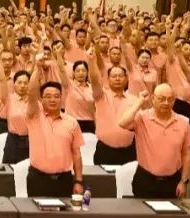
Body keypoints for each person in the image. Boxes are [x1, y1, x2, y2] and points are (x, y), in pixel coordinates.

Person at [118, 85, 190, 199]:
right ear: (153, 99)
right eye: (161, 99)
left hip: (172, 182)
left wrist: (183, 181)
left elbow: (187, 154)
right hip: (146, 180)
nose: (166, 103)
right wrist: (139, 102)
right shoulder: (142, 118)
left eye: (170, 99)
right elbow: (123, 123)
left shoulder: (184, 122)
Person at [24, 56, 85, 197]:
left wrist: (78, 180)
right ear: (41, 99)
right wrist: (37, 68)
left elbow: (76, 154)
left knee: (64, 212)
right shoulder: (35, 116)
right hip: (38, 179)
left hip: (64, 180)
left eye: (56, 96)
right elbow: (31, 92)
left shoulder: (72, 122)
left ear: (61, 98)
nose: (52, 99)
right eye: (48, 96)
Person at [89, 46, 139, 164]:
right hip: (105, 151)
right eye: (114, 76)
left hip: (129, 151)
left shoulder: (135, 100)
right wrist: (91, 61)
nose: (117, 79)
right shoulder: (101, 96)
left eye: (120, 76)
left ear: (126, 79)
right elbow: (94, 80)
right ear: (108, 79)